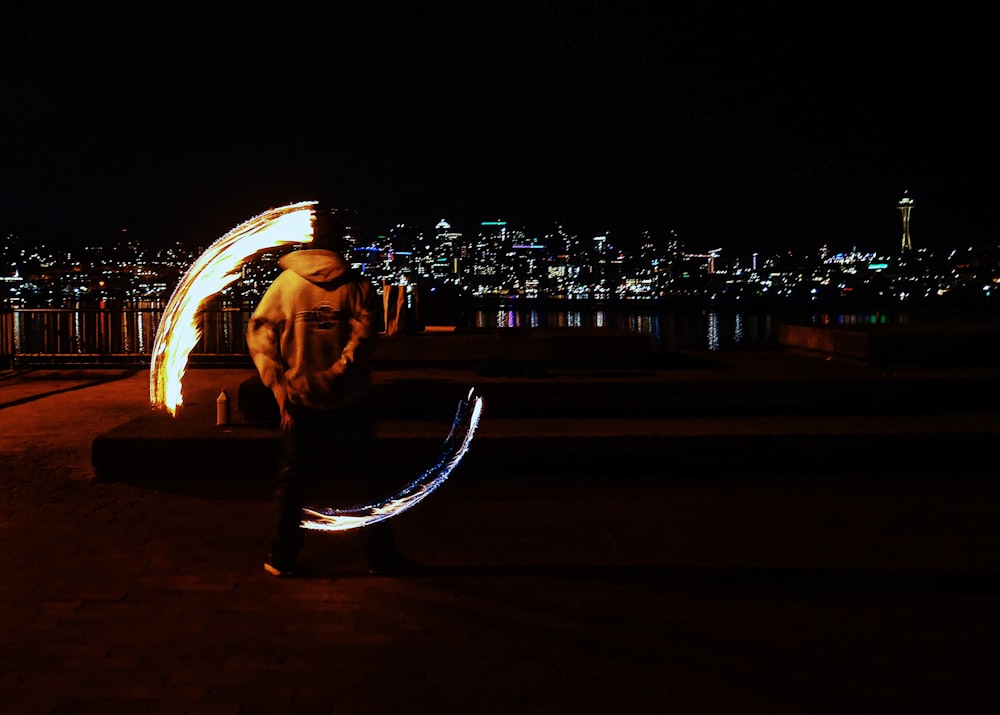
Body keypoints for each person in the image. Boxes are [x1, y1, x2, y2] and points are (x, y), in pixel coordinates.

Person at [246, 205, 405, 577]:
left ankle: (282, 557)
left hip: (299, 402)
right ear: (339, 246)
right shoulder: (356, 286)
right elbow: (363, 341)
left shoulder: (285, 286)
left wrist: (279, 384)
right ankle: (380, 557)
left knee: (292, 482)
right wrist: (337, 373)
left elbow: (259, 333)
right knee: (366, 483)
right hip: (350, 401)